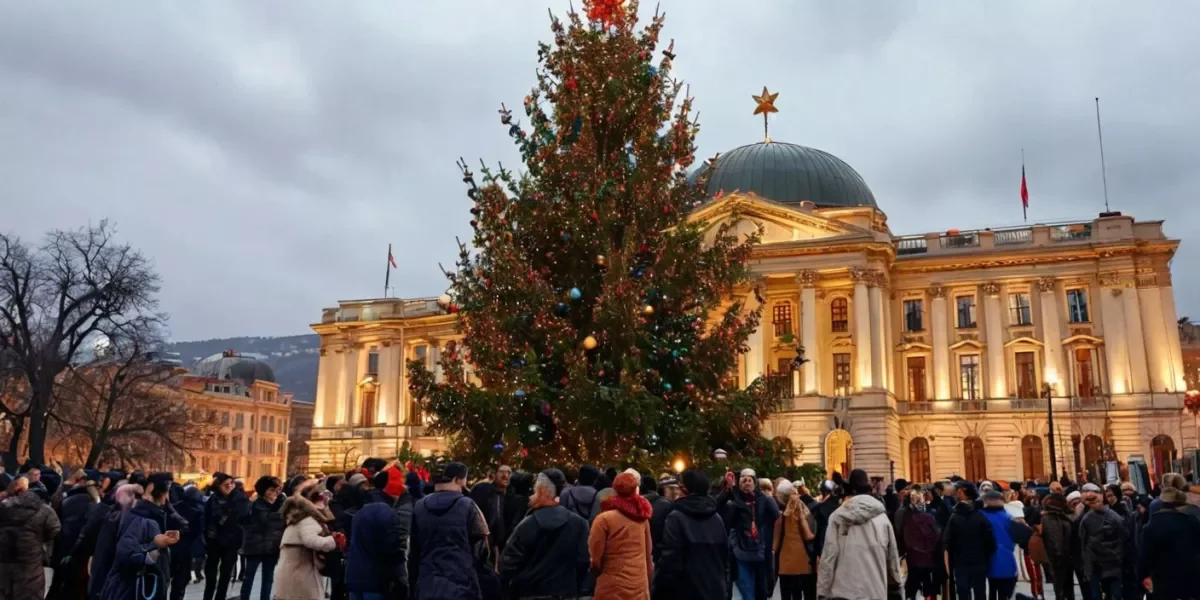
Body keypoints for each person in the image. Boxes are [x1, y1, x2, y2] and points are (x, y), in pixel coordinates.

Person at [500, 472, 590, 599]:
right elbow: (584, 562)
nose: (531, 496)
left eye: (534, 491)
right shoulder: (580, 524)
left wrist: (511, 589)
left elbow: (508, 563)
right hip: (566, 593)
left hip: (529, 593)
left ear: (542, 491)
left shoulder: (528, 524)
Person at [409, 462, 491, 600]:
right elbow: (481, 547)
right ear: (458, 479)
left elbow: (414, 550)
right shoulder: (468, 505)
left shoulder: (419, 506)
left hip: (427, 583)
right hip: (462, 583)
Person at [816, 469, 902, 600]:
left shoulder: (837, 518)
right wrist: (895, 587)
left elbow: (829, 556)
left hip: (844, 592)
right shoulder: (883, 519)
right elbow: (892, 557)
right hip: (875, 591)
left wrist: (822, 591)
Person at [98, 473, 179, 600]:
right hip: (134, 590)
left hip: (146, 588)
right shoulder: (141, 517)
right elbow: (126, 553)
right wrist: (154, 545)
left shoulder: (154, 515)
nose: (167, 498)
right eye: (166, 492)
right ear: (152, 488)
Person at [653, 469, 727, 600]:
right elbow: (725, 558)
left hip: (684, 591)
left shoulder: (675, 517)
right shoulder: (716, 518)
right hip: (714, 590)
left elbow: (670, 560)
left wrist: (658, 589)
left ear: (685, 489)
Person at [345, 470, 409, 600]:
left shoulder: (359, 512)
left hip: (354, 577)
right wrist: (401, 576)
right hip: (376, 580)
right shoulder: (386, 512)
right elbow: (392, 549)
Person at [589, 470, 653, 600]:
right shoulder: (642, 519)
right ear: (636, 490)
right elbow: (648, 557)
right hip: (639, 589)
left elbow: (595, 559)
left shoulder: (603, 519)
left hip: (611, 589)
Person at [274, 481, 343, 600]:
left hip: (295, 571)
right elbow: (311, 541)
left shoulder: (297, 518)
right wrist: (333, 540)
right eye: (321, 497)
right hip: (300, 574)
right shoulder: (306, 520)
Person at [0, 476, 62, 600]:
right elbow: (55, 530)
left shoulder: (2, 508)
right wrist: (39, 538)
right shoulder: (43, 510)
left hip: (4, 565)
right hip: (30, 568)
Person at [1137, 482, 1200, 600]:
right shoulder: (1192, 522)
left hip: (1162, 583)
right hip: (1191, 581)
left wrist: (1142, 578)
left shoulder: (1150, 527)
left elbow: (1144, 558)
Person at [942, 481, 994, 600]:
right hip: (979, 561)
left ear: (962, 492)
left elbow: (947, 541)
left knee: (963, 590)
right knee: (979, 591)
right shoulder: (981, 515)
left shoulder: (955, 516)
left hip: (961, 562)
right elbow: (990, 541)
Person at [240, 476, 286, 600]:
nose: (275, 493)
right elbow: (267, 521)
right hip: (255, 547)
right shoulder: (256, 505)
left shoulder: (278, 505)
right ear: (263, 490)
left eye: (278, 490)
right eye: (271, 490)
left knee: (268, 579)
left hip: (271, 547)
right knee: (249, 578)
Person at [203, 473, 247, 600]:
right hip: (214, 540)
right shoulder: (213, 499)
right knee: (210, 573)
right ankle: (207, 597)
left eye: (231, 484)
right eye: (226, 485)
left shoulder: (240, 499)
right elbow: (207, 519)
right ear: (219, 486)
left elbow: (243, 519)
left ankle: (220, 597)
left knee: (225, 574)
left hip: (231, 542)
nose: (229, 487)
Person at [1078, 484, 1125, 600]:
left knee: (1097, 594)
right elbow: (1124, 536)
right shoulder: (1114, 516)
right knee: (1114, 593)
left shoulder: (1085, 519)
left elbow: (1083, 543)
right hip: (1112, 562)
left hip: (1097, 564)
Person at [773, 482, 816, 600]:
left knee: (788, 595)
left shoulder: (780, 517)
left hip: (785, 565)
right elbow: (809, 536)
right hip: (804, 561)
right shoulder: (805, 514)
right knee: (807, 594)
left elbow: (775, 545)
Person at [980, 490, 1020, 600]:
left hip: (988, 557)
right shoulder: (1008, 517)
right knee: (1005, 592)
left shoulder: (981, 516)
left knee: (992, 589)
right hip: (1007, 557)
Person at [903, 489, 942, 600]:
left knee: (913, 581)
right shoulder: (929, 518)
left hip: (913, 557)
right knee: (927, 582)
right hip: (927, 556)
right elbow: (935, 536)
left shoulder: (908, 518)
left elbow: (907, 538)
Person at [170, 485, 206, 598]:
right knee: (181, 580)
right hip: (186, 548)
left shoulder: (173, 508)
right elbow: (197, 531)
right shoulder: (196, 512)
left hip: (171, 546)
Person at [1039, 493, 1075, 600]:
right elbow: (1057, 539)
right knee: (1065, 586)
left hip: (1060, 557)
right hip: (1064, 557)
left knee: (1062, 586)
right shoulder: (1058, 516)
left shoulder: (1053, 516)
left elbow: (1055, 539)